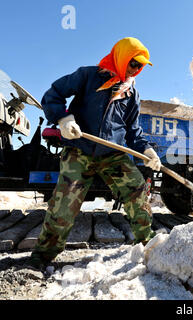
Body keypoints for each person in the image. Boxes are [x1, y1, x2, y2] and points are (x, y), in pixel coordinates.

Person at [28, 37, 162, 269]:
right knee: (63, 207)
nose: (136, 69)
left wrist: (147, 150)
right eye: (133, 63)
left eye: (140, 66)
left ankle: (148, 245)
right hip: (80, 150)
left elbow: (132, 130)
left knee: (137, 190)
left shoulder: (131, 94)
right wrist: (64, 118)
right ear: (121, 57)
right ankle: (42, 257)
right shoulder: (89, 76)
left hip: (112, 155)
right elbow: (54, 93)